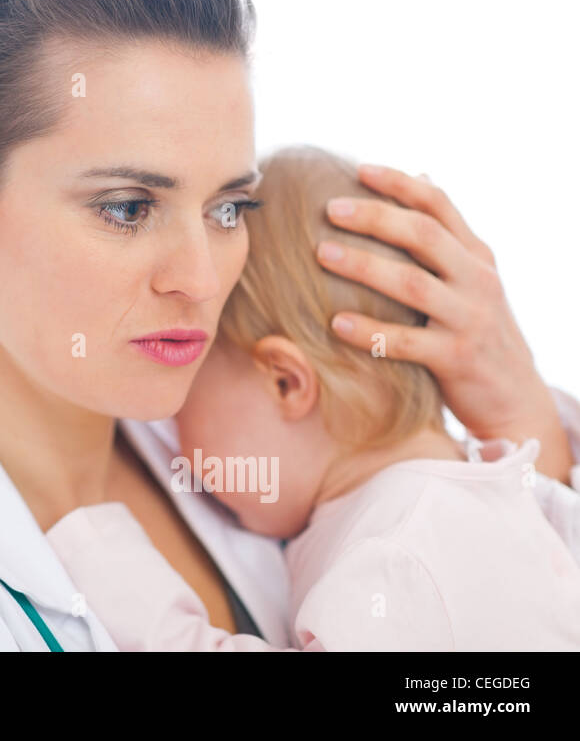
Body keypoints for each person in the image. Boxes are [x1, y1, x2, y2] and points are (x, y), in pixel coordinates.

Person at [0, 0, 580, 651]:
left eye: (228, 210)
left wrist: (527, 422)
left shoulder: (254, 424)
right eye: (125, 207)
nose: (202, 280)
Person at [46, 146, 580, 650]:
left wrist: (108, 566)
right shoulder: (481, 506)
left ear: (286, 382)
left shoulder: (396, 549)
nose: (173, 431)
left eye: (187, 380)